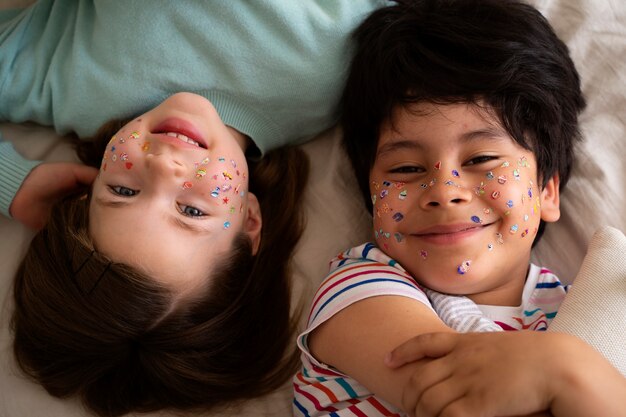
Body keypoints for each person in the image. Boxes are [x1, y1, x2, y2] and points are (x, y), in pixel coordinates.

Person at [0, 1, 385, 416]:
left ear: (84, 194)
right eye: (193, 212)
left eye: (123, 191)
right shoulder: (335, 71)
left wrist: (14, 181)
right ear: (249, 220)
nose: (164, 166)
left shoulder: (67, 83)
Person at [293, 1, 626, 416]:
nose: (444, 191)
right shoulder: (358, 289)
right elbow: (454, 399)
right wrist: (570, 369)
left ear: (547, 191)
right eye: (407, 168)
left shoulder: (590, 312)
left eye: (481, 160)